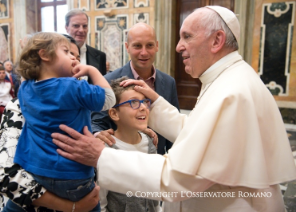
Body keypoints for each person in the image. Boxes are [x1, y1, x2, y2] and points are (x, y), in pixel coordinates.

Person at [51, 6, 296, 211]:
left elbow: (177, 177)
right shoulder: (228, 79)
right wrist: (155, 103)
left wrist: (101, 156)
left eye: (187, 36)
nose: (178, 46)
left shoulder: (232, 91)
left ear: (217, 40)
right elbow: (200, 135)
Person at [7, 32, 115, 212]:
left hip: (35, 171)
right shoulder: (74, 87)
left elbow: (27, 76)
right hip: (73, 174)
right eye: (66, 51)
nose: (73, 56)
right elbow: (109, 100)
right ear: (44, 55)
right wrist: (92, 70)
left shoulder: (25, 89)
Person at [91, 22, 179, 155]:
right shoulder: (108, 81)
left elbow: (174, 124)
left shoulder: (168, 82)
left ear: (157, 46)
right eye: (137, 46)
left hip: (156, 161)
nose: (144, 52)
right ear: (127, 47)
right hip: (122, 158)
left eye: (149, 45)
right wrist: (98, 133)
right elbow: (97, 121)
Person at [99, 76, 159, 212]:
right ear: (114, 113)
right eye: (134, 102)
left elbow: (154, 191)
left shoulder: (150, 143)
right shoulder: (107, 150)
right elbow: (100, 202)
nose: (143, 107)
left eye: (144, 101)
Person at [65, 9, 107, 81]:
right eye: (76, 26)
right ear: (66, 28)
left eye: (84, 26)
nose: (81, 30)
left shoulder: (100, 56)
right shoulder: (58, 55)